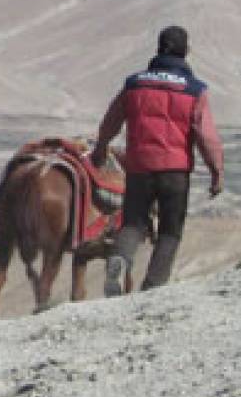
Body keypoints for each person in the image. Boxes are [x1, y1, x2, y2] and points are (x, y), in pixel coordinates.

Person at [91, 26, 225, 294]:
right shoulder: (195, 90)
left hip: (139, 167)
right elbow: (206, 136)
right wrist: (216, 172)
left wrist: (102, 146)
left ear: (158, 48)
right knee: (169, 232)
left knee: (133, 224)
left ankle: (120, 259)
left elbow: (112, 120)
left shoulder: (135, 84)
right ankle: (152, 287)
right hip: (175, 172)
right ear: (186, 51)